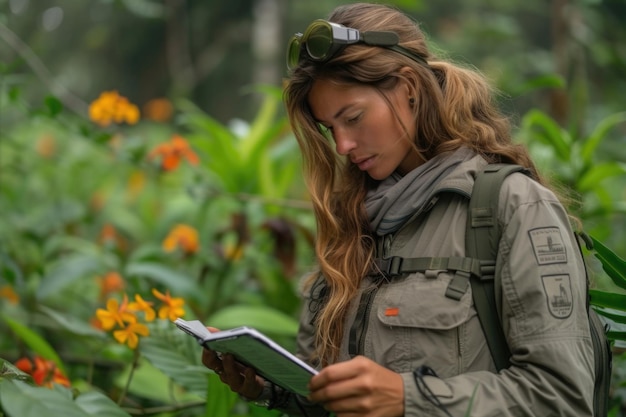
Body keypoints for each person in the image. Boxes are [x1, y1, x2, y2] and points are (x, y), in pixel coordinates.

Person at [202, 3, 595, 416]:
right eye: (329, 128)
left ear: (408, 87)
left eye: (352, 117)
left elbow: (564, 397)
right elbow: (333, 395)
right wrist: (271, 386)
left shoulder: (512, 207)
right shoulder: (353, 220)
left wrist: (410, 399)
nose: (342, 146)